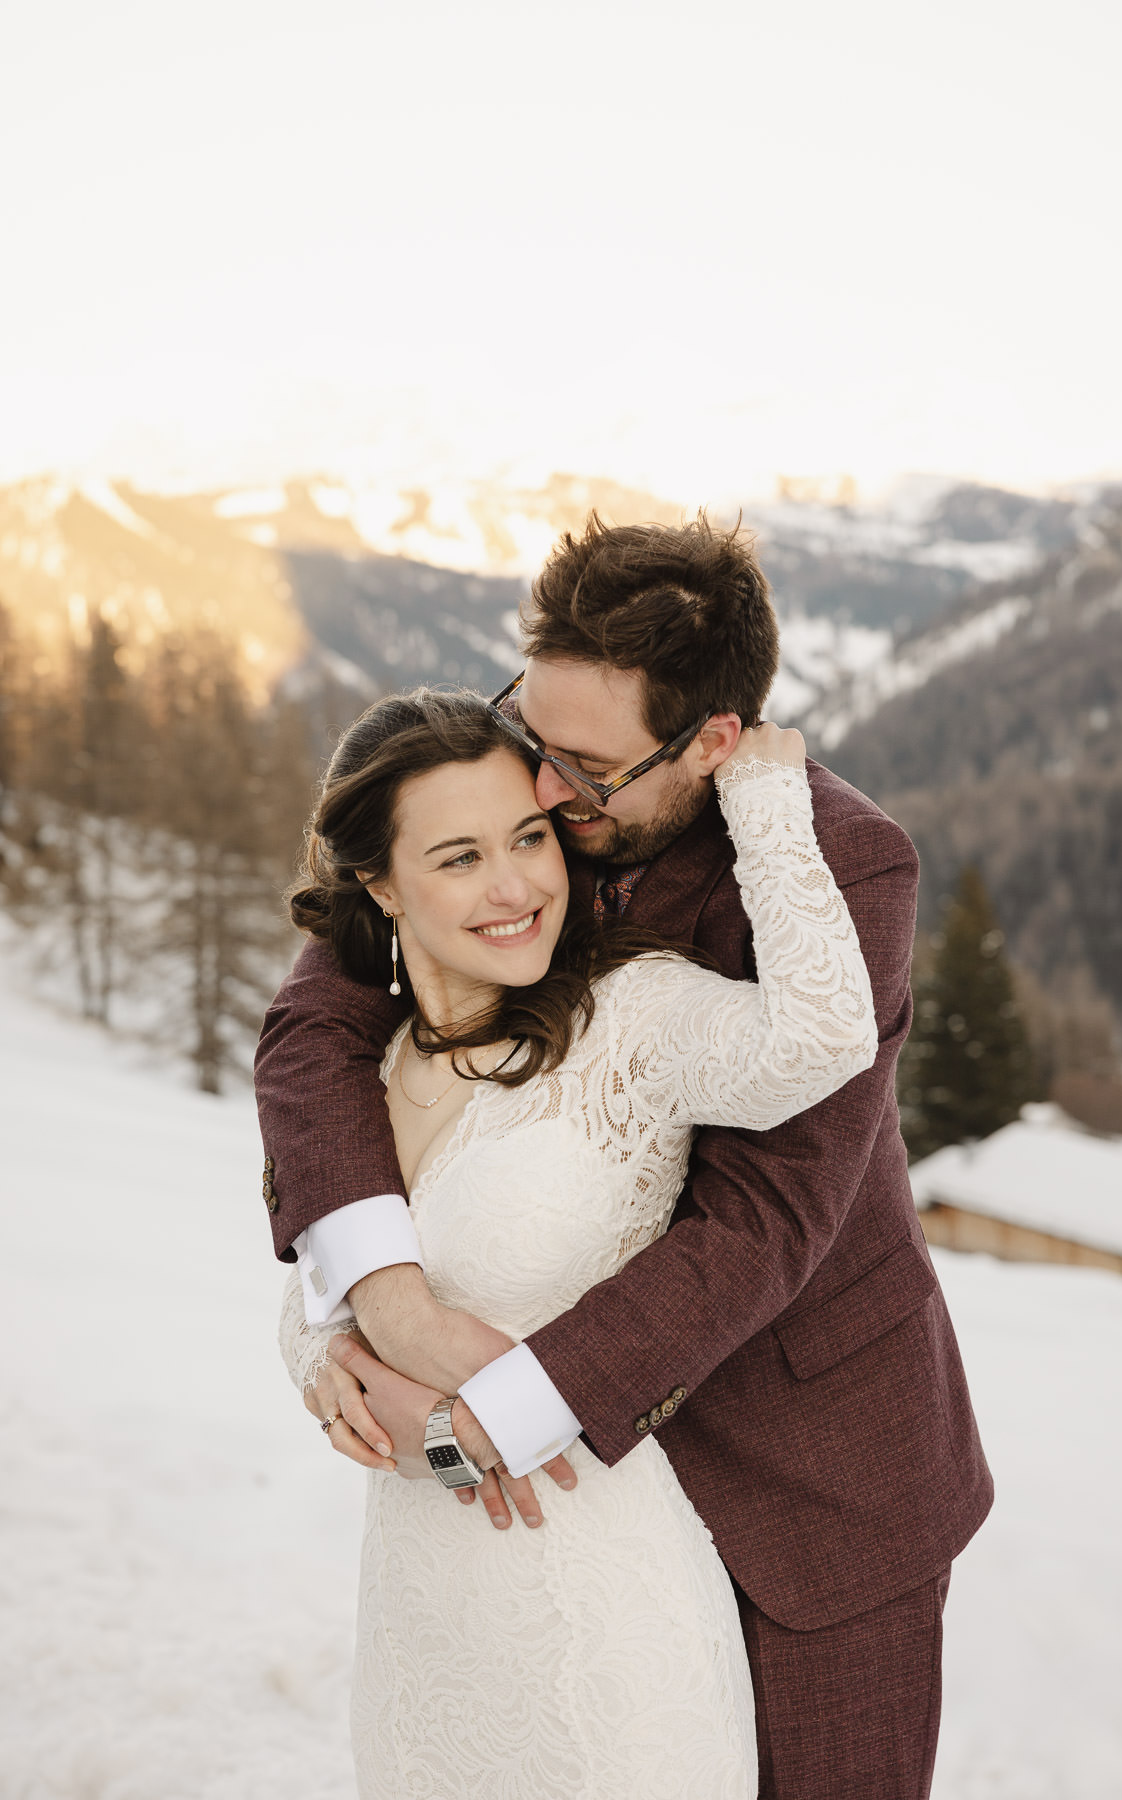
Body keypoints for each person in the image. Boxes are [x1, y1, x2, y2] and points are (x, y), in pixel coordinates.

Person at [257, 515, 994, 1800]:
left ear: (711, 743)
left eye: (582, 770)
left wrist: (491, 1414)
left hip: (807, 1476)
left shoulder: (845, 863)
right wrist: (370, 1298)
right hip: (561, 1529)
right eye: (530, 732)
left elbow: (765, 1220)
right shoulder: (514, 790)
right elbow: (321, 1021)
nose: (537, 790)